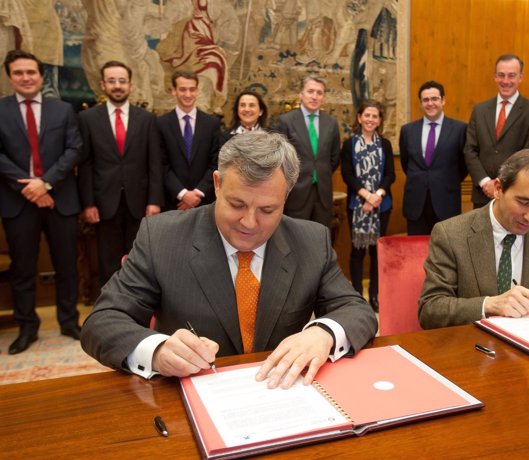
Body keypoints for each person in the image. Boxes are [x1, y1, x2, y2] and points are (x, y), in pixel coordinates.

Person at [81, 130, 378, 389]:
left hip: (282, 393)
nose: (249, 222)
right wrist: (157, 351)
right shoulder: (161, 237)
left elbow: (356, 310)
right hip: (188, 399)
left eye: (267, 210)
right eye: (237, 204)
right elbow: (102, 322)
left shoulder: (311, 240)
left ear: (285, 198)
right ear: (218, 184)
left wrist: (323, 333)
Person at [418, 149, 529, 328]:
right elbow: (430, 310)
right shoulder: (451, 234)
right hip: (471, 348)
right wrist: (490, 305)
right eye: (524, 202)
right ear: (498, 189)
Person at [0, 50, 82, 354]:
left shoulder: (62, 110)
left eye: (31, 72)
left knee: (67, 265)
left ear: (40, 75)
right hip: (17, 202)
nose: (26, 78)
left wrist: (45, 182)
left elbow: (74, 149)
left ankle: (70, 321)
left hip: (60, 200)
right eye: (19, 73)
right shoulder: (1, 110)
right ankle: (27, 327)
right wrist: (30, 187)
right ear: (10, 76)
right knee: (23, 268)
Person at [78, 60, 164, 286]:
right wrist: (88, 204)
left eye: (122, 81)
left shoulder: (147, 120)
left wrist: (154, 200)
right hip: (104, 203)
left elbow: (155, 163)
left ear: (131, 85)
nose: (117, 85)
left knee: (140, 259)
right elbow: (85, 164)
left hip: (140, 202)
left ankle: (138, 308)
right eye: (112, 81)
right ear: (103, 85)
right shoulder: (87, 119)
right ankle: (110, 311)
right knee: (108, 260)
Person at [464, 54, 529, 209]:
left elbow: (528, 154)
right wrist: (485, 182)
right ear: (495, 76)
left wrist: (501, 184)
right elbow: (469, 150)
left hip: (514, 195)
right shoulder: (479, 110)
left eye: (511, 76)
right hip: (482, 193)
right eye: (501, 75)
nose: (505, 81)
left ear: (520, 77)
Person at [340, 100, 395, 312]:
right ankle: (356, 296)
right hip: (357, 205)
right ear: (359, 118)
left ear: (379, 120)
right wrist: (366, 196)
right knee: (357, 252)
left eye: (375, 116)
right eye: (367, 115)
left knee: (376, 252)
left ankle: (374, 294)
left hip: (382, 206)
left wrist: (377, 195)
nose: (371, 119)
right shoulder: (349, 144)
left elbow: (391, 174)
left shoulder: (385, 145)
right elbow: (347, 175)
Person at [399, 80, 468, 235]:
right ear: (421, 103)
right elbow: (406, 163)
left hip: (446, 202)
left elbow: (463, 166)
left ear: (443, 100)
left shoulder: (460, 129)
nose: (430, 103)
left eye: (434, 99)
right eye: (426, 100)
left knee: (446, 253)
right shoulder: (408, 131)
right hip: (416, 203)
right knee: (416, 253)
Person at [275, 76, 340, 228]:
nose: (314, 96)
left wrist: (320, 171)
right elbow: (280, 158)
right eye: (310, 91)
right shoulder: (286, 121)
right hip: (296, 192)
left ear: (323, 97)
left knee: (320, 238)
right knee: (294, 237)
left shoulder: (331, 122)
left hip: (323, 193)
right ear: (301, 94)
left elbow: (334, 157)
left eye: (319, 93)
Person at [158, 70, 220, 212]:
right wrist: (183, 194)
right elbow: (161, 164)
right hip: (173, 202)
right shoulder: (161, 124)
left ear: (197, 91)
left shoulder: (212, 124)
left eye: (192, 89)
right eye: (182, 89)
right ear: (173, 91)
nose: (188, 94)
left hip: (204, 202)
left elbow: (216, 162)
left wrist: (198, 193)